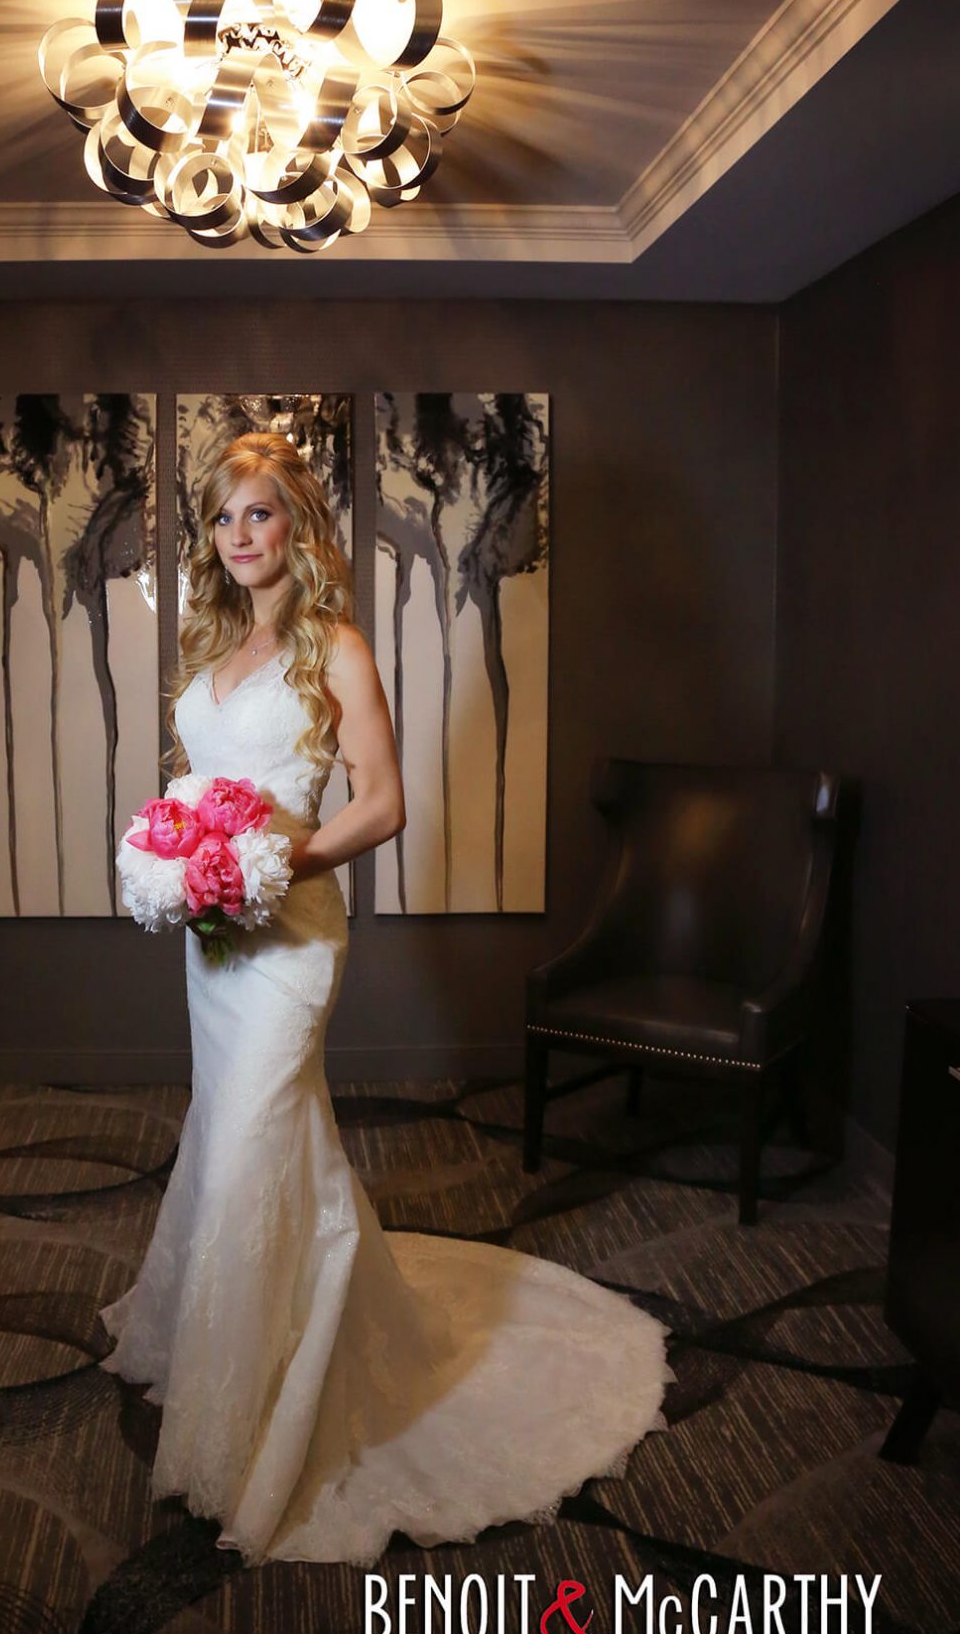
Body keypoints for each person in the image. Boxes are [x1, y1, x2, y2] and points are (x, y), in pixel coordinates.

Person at [99, 431, 672, 1567]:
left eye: (259, 514)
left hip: (289, 934)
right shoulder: (207, 643)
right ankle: (245, 1347)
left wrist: (271, 864)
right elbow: (199, 788)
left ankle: (265, 1411)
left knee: (259, 1134)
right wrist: (183, 855)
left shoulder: (336, 647)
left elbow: (384, 804)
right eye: (222, 520)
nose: (240, 537)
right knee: (237, 1135)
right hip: (213, 944)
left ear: (295, 525)